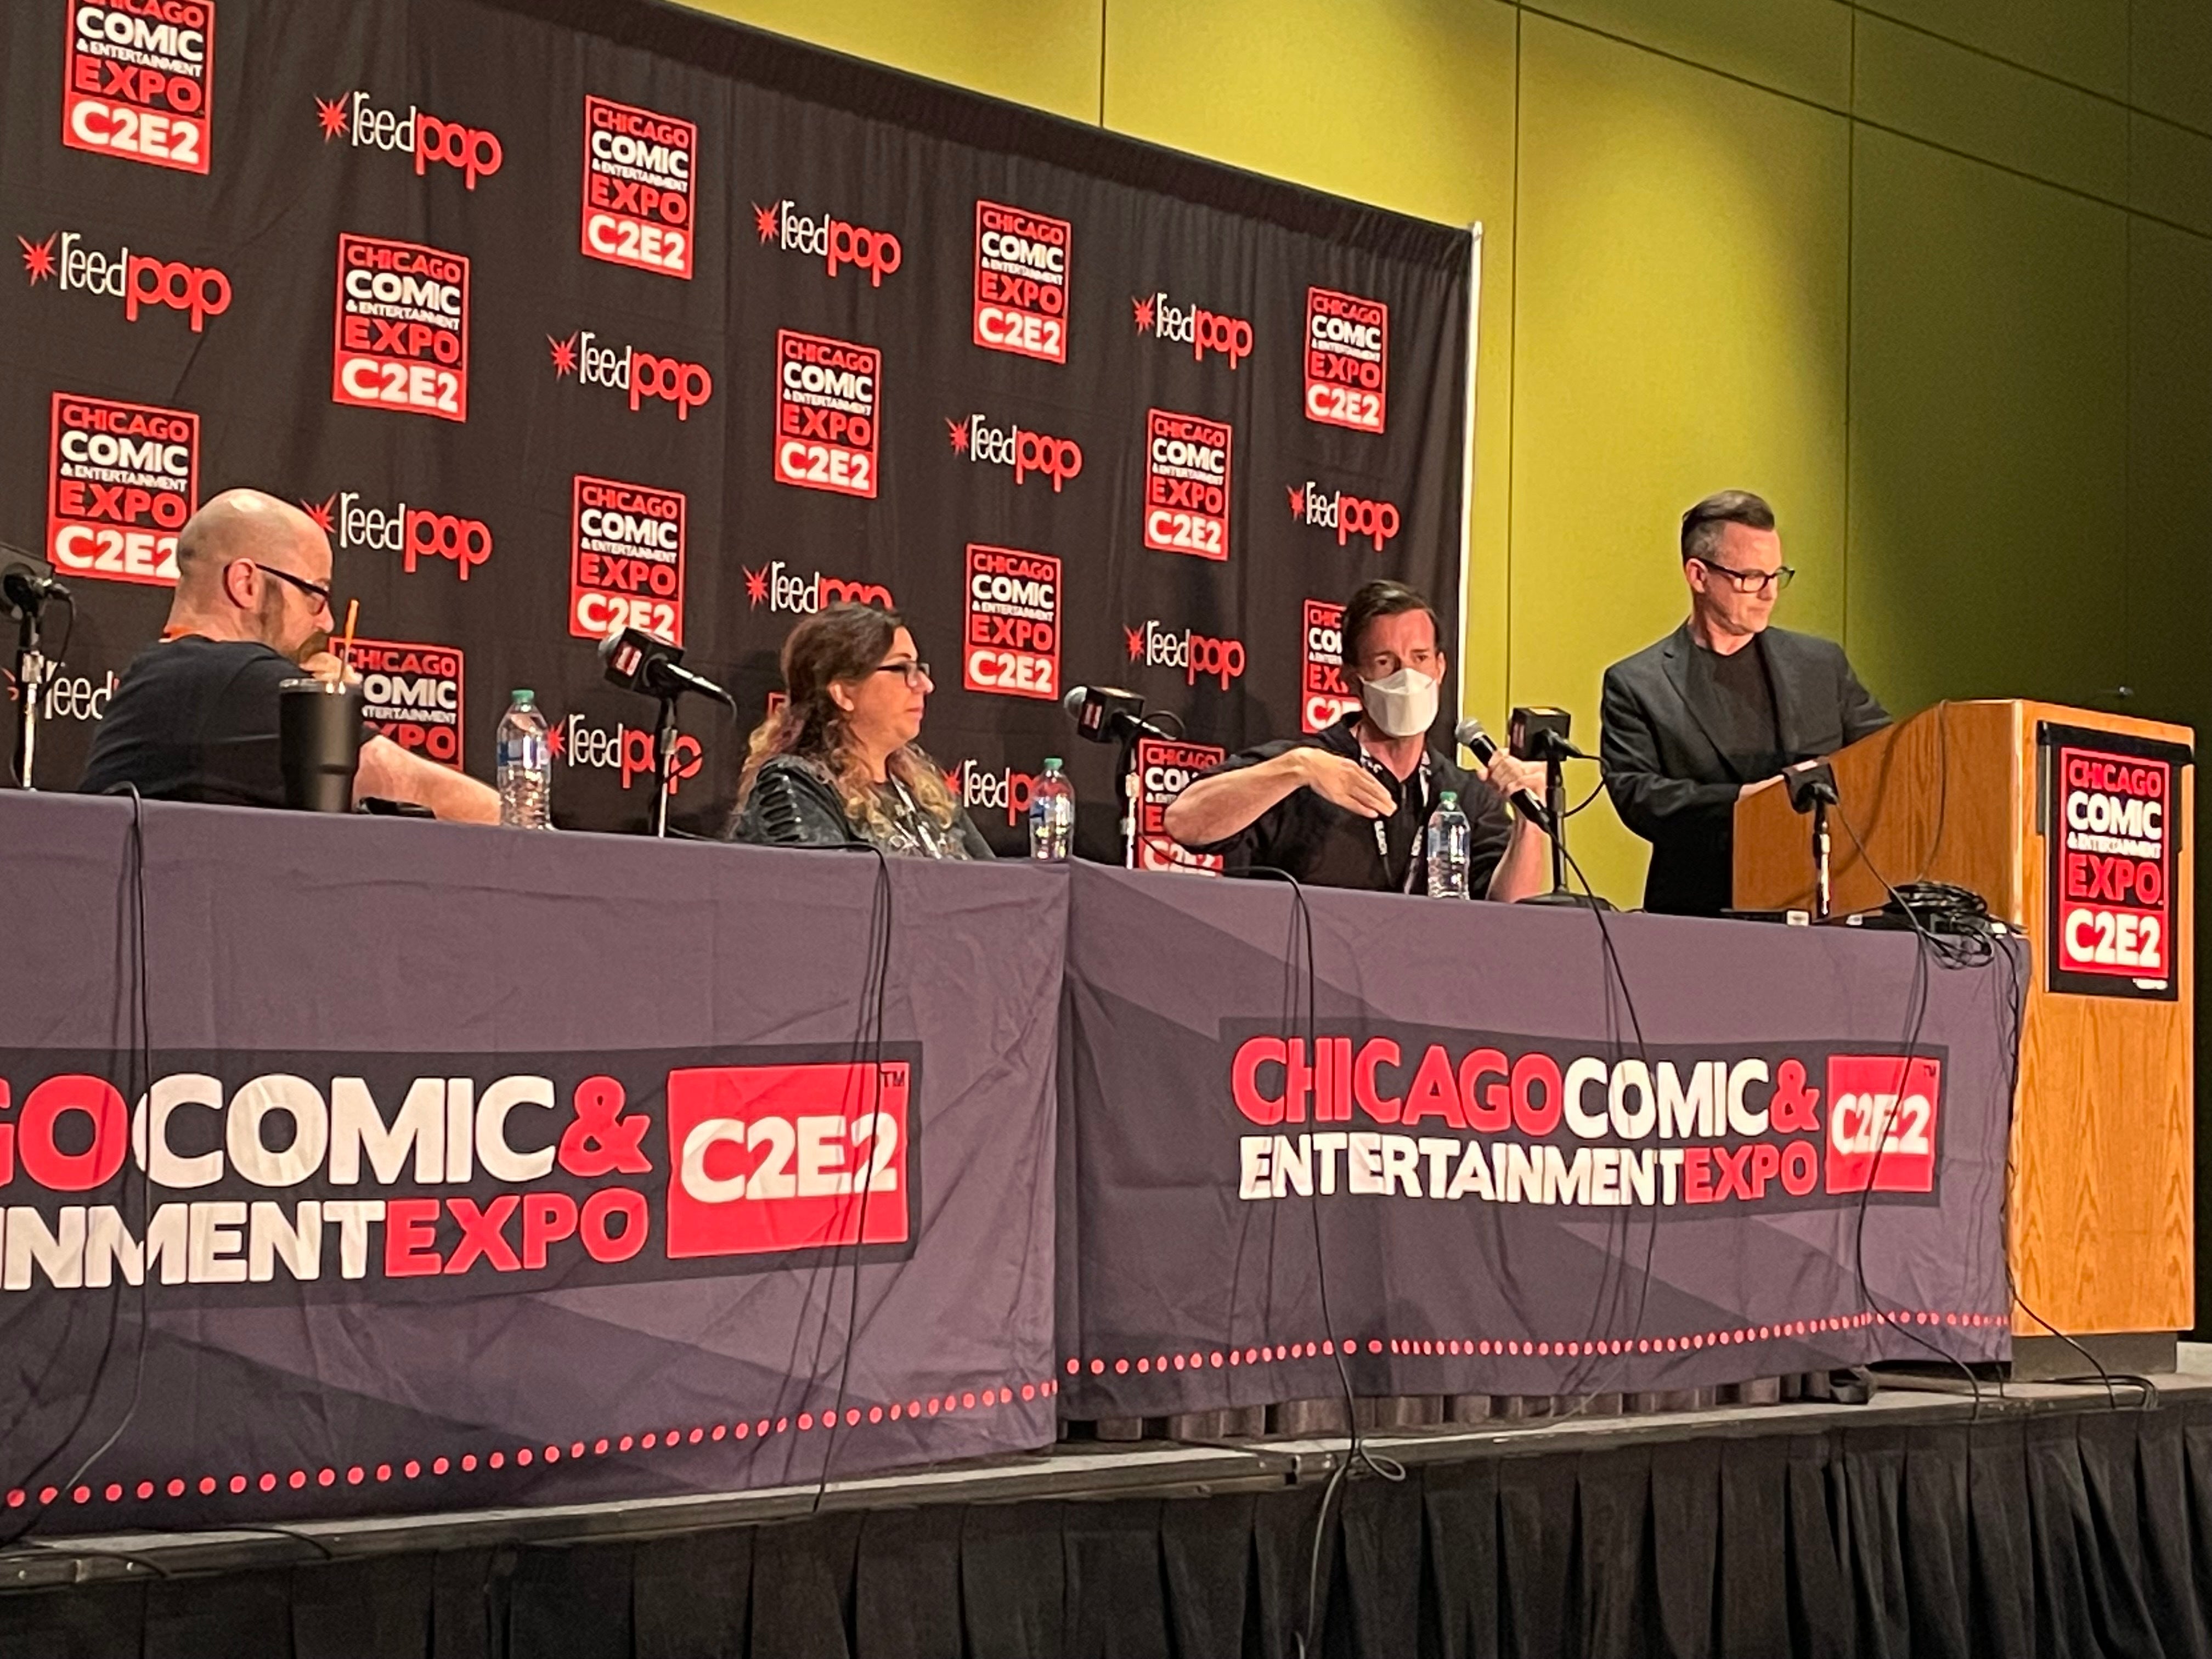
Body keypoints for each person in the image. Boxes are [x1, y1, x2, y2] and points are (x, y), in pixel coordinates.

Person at [78, 489, 498, 821]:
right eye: (315, 594)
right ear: (246, 583)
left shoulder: (170, 676)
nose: (328, 622)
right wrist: (537, 832)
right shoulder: (234, 680)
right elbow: (410, 786)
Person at [1164, 579, 1550, 899]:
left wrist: (1529, 824)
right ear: (1351, 678)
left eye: (1419, 658)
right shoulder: (1305, 766)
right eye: (1385, 662)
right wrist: (1296, 769)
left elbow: (1508, 916)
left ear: (1441, 667)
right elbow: (1184, 822)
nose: (1407, 677)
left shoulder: (1465, 794)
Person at [1601, 490, 1889, 916]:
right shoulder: (1639, 684)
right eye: (1752, 577)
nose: (1769, 593)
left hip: (1825, 908)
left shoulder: (1820, 665)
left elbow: (1885, 757)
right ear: (1699, 576)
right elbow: (1642, 798)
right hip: (1700, 912)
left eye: (1776, 576)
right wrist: (1748, 802)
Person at [729, 602, 992, 858]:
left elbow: (999, 885)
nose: (925, 684)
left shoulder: (926, 791)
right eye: (902, 668)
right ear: (843, 692)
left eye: (919, 669)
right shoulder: (796, 783)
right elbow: (826, 893)